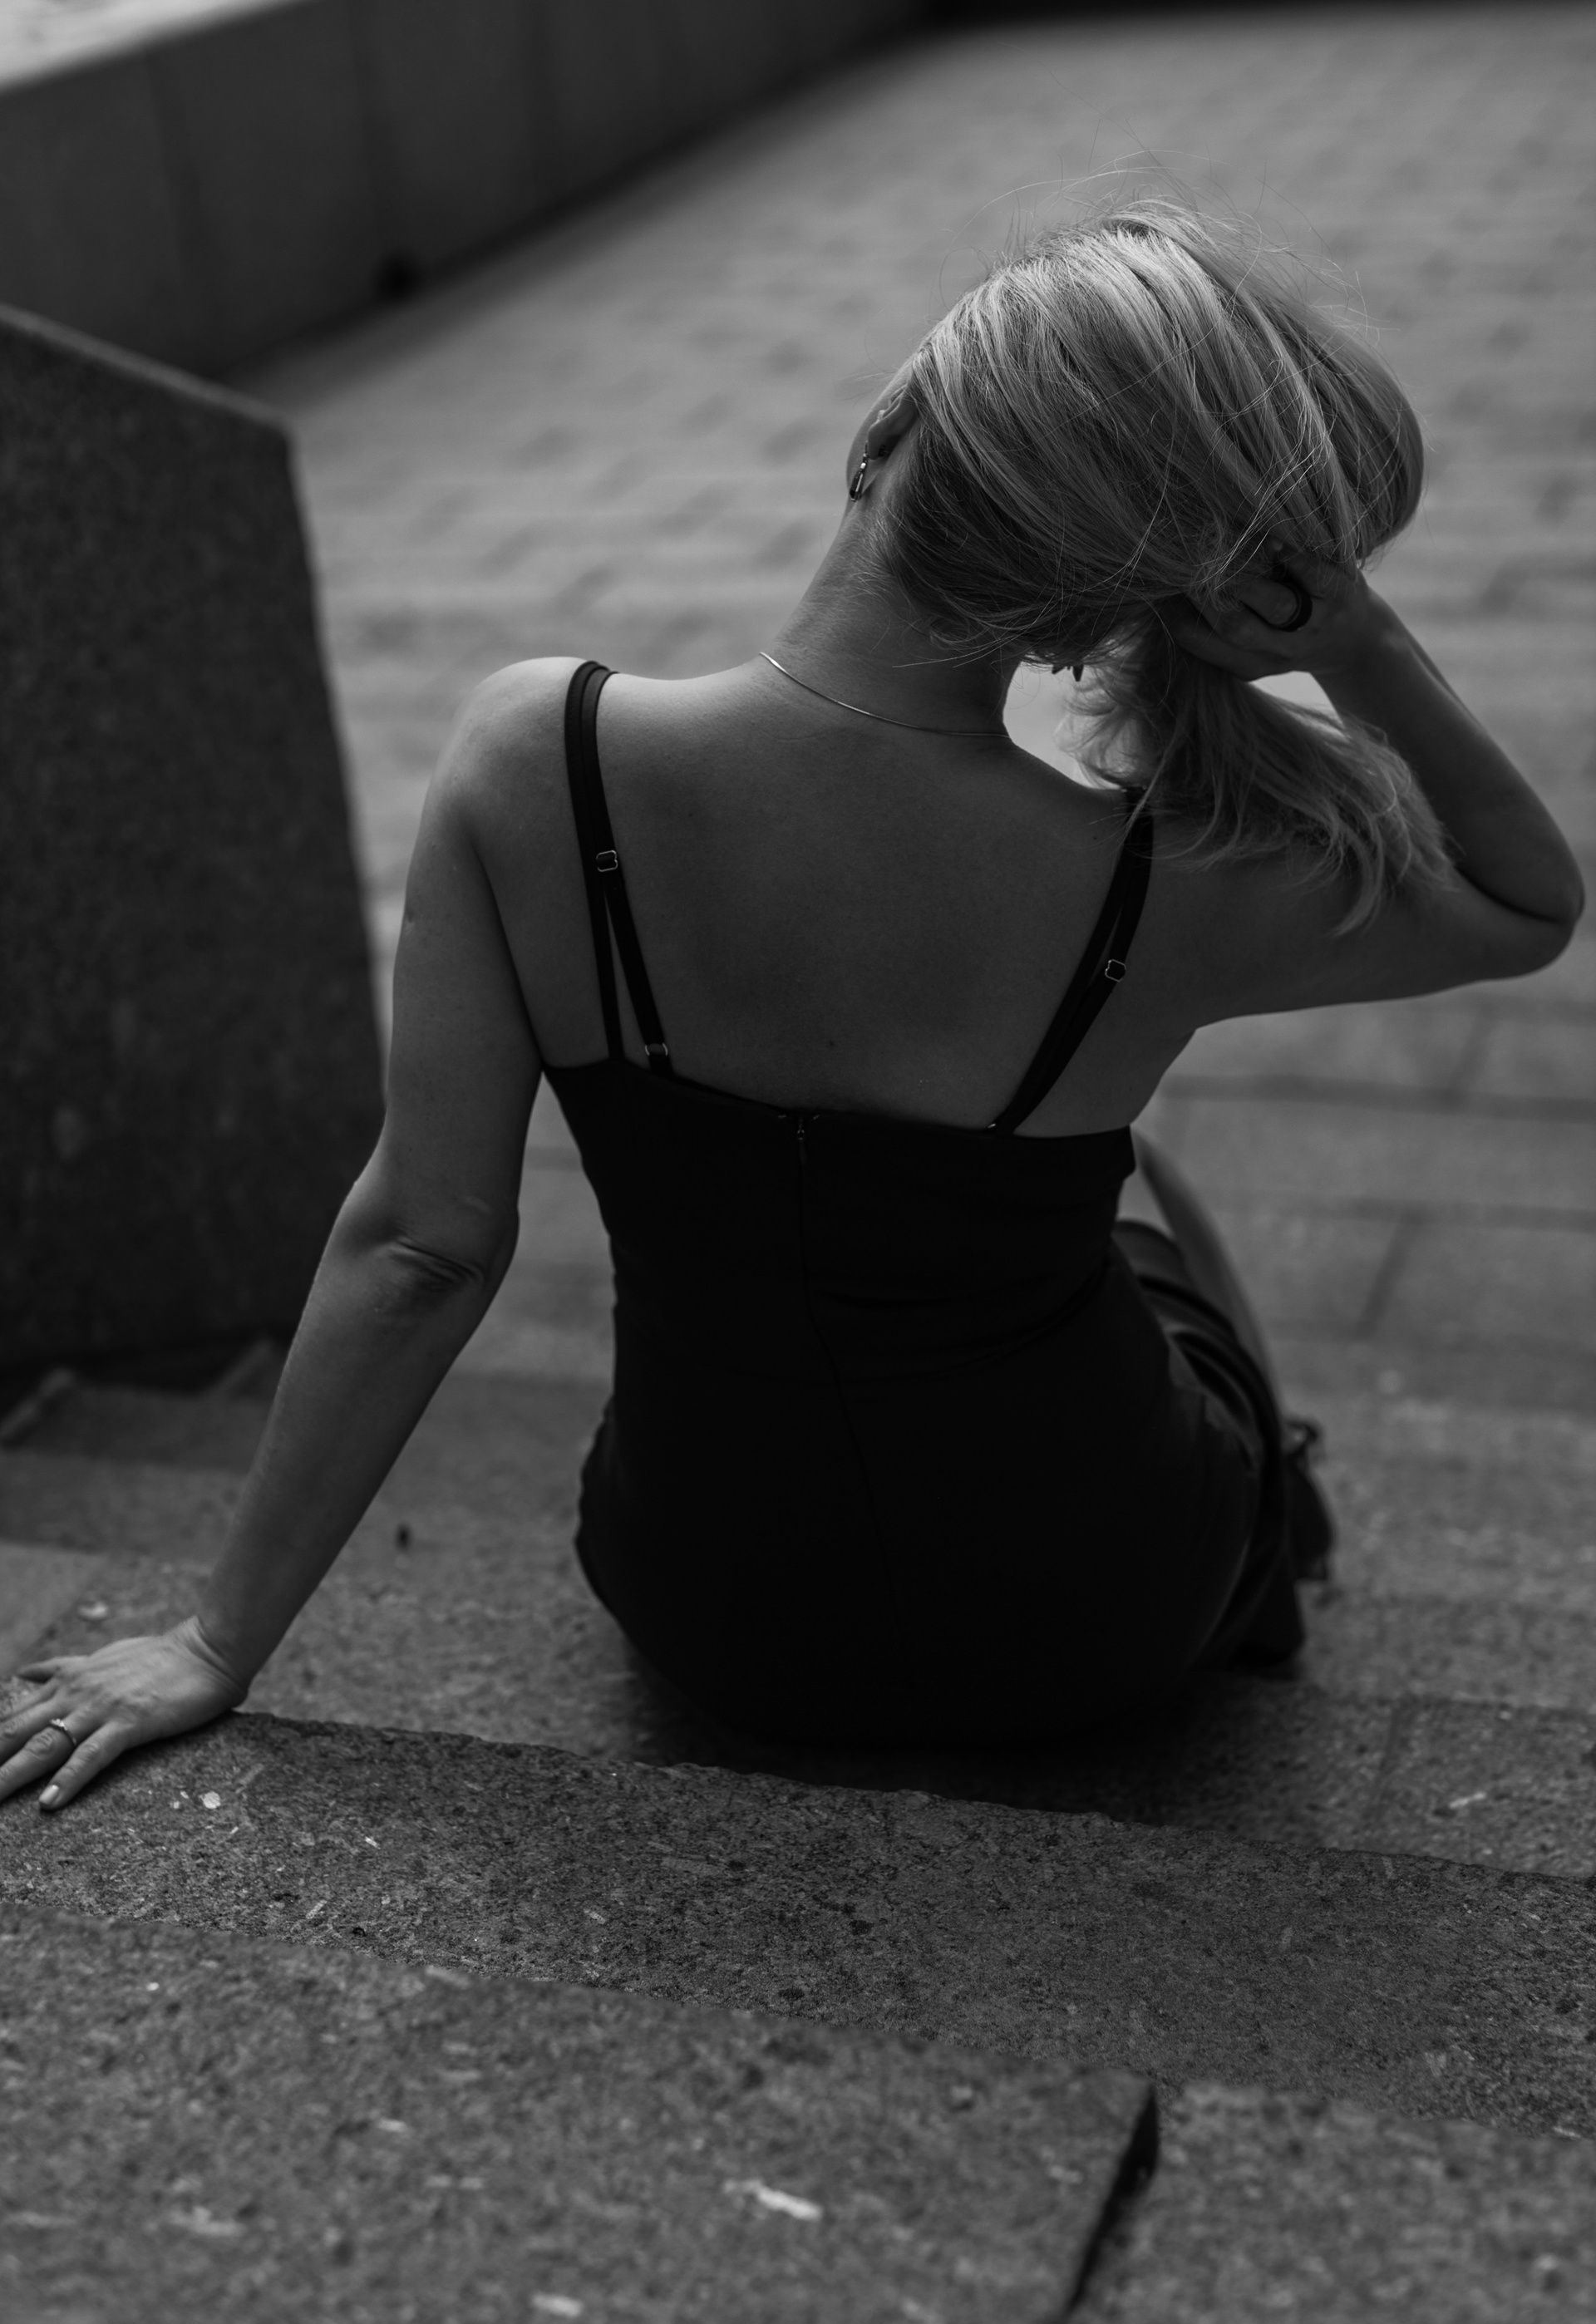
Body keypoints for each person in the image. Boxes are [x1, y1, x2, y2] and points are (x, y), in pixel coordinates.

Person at [2, 203, 1581, 1807]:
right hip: (1100, 1606)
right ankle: (1278, 1507)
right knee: (1136, 1182)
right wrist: (1355, 641)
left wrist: (216, 1642)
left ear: (881, 432)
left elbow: (420, 1251)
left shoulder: (538, 758)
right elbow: (1525, 906)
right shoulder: (1151, 879)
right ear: (1103, 613)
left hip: (716, 1608)